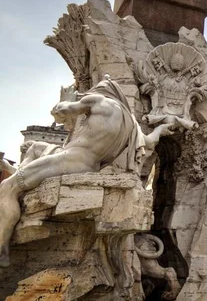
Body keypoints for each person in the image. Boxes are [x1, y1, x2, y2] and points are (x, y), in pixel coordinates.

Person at [0, 77, 173, 267]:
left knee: (8, 187)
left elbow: (61, 111)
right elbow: (149, 142)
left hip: (70, 160)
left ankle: (2, 250)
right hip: (88, 164)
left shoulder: (98, 101)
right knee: (35, 148)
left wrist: (66, 99)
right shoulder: (131, 124)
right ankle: (19, 171)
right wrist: (162, 129)